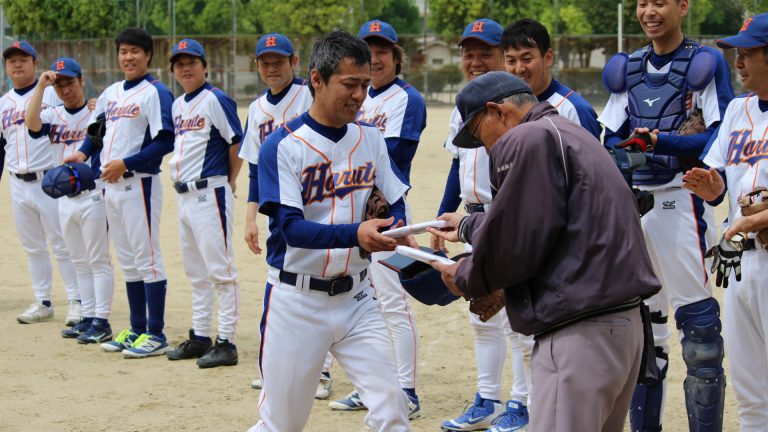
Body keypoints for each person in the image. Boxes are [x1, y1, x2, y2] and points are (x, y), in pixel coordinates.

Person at [429, 71, 661, 432]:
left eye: (478, 135)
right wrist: (465, 226)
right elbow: (545, 217)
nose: (485, 147)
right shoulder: (570, 133)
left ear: (498, 111)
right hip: (621, 327)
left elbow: (516, 242)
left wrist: (464, 276)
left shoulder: (526, 137)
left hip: (580, 334)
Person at [247, 30, 411, 432]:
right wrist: (357, 233)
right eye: (349, 84)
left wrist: (399, 225)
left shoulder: (369, 138)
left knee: (392, 408)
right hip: (296, 302)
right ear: (317, 79)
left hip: (357, 298)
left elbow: (394, 200)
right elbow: (291, 229)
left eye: (365, 86)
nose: (360, 95)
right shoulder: (283, 146)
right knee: (280, 425)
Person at [597, 1, 734, 430]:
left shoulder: (704, 65)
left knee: (700, 335)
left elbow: (719, 136)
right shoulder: (628, 69)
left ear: (682, 6)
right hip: (635, 205)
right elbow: (610, 138)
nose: (649, 11)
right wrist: (625, 154)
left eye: (660, 2)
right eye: (642, 3)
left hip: (682, 200)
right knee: (644, 335)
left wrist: (661, 142)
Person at [434, 18, 529, 432]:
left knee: (518, 316)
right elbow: (458, 171)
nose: (475, 61)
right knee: (482, 311)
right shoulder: (465, 107)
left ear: (502, 57)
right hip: (471, 217)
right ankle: (487, 398)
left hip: (503, 216)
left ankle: (522, 404)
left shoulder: (510, 106)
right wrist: (441, 218)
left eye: (485, 53)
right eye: (468, 53)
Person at [328, 18, 426, 419]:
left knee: (393, 304)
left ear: (395, 56)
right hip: (353, 216)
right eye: (369, 52)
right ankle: (371, 385)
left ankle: (407, 390)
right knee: (359, 301)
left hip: (385, 215)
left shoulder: (406, 98)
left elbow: (393, 164)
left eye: (383, 51)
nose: (376, 58)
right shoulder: (356, 95)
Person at [65, 27, 175, 358]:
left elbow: (165, 140)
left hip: (139, 182)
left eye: (135, 51)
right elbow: (96, 131)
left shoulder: (156, 92)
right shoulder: (112, 92)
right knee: (128, 261)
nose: (128, 57)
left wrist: (126, 163)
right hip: (110, 185)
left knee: (147, 258)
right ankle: (137, 328)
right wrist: (82, 153)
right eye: (123, 51)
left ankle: (155, 333)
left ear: (148, 55)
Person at [683, 13, 768, 430]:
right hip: (739, 263)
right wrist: (710, 186)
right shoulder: (737, 110)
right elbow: (720, 185)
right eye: (738, 51)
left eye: (749, 51)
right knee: (751, 393)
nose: (738, 59)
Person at [239, 33, 331, 397]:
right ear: (258, 65)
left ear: (295, 62)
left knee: (318, 283)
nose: (272, 67)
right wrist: (250, 217)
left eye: (279, 60)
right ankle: (279, 368)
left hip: (314, 201)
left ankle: (321, 373)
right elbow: (253, 168)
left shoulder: (309, 93)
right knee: (282, 282)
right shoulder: (256, 108)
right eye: (265, 61)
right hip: (277, 206)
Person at [163, 39, 243, 368]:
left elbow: (236, 142)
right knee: (196, 273)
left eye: (191, 62)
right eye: (179, 63)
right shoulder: (179, 104)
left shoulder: (215, 99)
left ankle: (227, 342)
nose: (185, 68)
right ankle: (200, 336)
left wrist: (229, 179)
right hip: (184, 196)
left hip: (210, 191)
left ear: (205, 66)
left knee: (220, 272)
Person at [24, 57, 114, 344]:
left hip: (93, 193)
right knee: (79, 261)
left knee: (98, 260)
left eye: (70, 83)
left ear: (82, 81)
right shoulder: (53, 115)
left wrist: (98, 106)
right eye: (60, 84)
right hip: (65, 198)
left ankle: (101, 319)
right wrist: (40, 86)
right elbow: (31, 122)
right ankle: (88, 317)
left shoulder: (95, 111)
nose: (65, 89)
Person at [0, 40, 81, 326]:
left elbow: (78, 111)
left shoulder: (54, 95)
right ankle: (43, 301)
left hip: (50, 179)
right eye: (12, 60)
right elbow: (2, 145)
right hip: (17, 182)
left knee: (62, 243)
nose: (17, 64)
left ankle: (76, 299)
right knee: (32, 245)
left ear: (35, 64)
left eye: (24, 58)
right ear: (6, 67)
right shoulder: (4, 103)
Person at [502, 19, 601, 139]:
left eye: (527, 59)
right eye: (511, 61)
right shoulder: (501, 109)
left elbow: (592, 157)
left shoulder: (574, 110)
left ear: (548, 58)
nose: (519, 69)